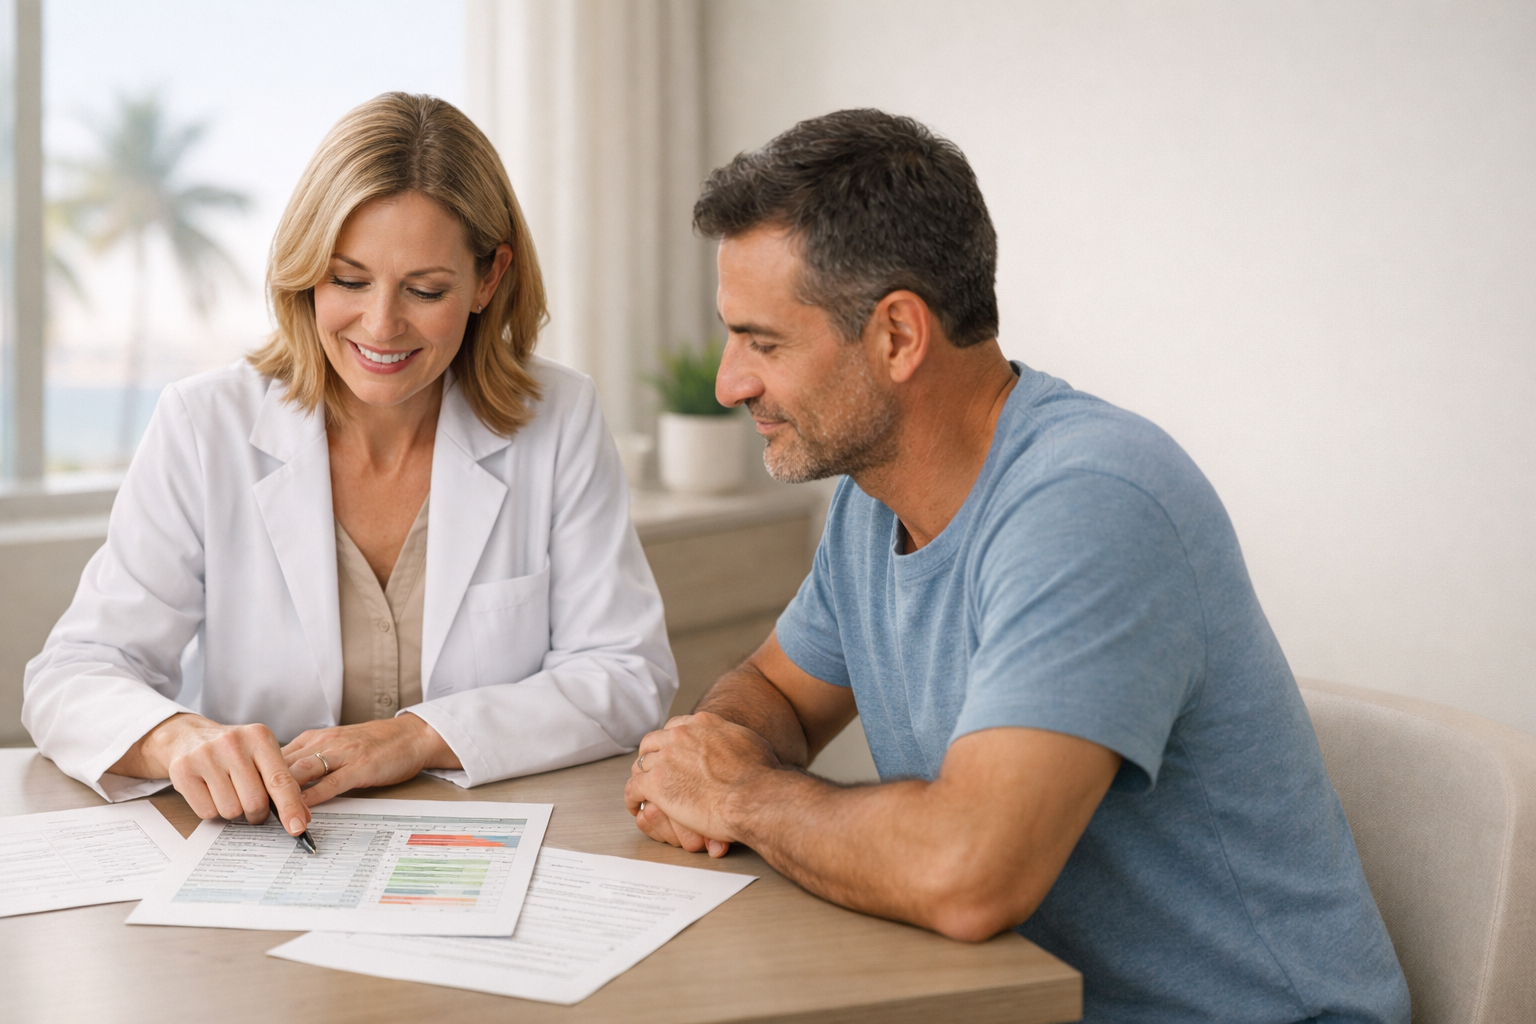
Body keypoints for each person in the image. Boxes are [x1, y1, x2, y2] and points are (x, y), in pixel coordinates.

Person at [624, 109, 1409, 1023]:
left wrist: (742, 796)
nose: (729, 384)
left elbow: (967, 875)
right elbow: (777, 692)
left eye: (763, 342)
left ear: (897, 337)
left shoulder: (1093, 500)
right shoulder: (870, 503)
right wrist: (710, 750)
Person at [24, 92, 675, 841]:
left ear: (487, 280)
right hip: (272, 850)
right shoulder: (205, 425)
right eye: (349, 280)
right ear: (306, 272)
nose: (381, 325)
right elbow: (71, 675)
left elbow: (627, 673)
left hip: (480, 848)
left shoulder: (558, 418)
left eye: (425, 290)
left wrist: (419, 736)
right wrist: (179, 738)